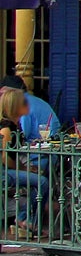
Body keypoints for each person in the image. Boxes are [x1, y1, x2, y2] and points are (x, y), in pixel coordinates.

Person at [0, 87, 48, 237]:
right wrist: (24, 170)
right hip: (3, 172)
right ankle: (26, 219)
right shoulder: (6, 129)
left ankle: (24, 219)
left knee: (40, 178)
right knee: (42, 182)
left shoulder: (16, 126)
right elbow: (5, 158)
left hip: (9, 169)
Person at [0, 76, 59, 142]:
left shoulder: (22, 103)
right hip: (53, 141)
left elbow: (24, 135)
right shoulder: (32, 99)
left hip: (43, 145)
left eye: (3, 94)